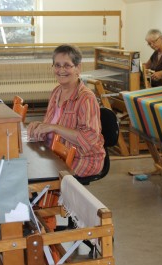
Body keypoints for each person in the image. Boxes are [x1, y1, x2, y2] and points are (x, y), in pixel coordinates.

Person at [27, 44, 105, 177]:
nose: (61, 70)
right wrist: (39, 127)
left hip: (82, 158)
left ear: (78, 68)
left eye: (67, 65)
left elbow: (89, 139)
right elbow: (51, 123)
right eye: (57, 65)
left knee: (40, 179)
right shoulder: (56, 92)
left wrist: (54, 128)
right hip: (57, 151)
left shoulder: (86, 98)